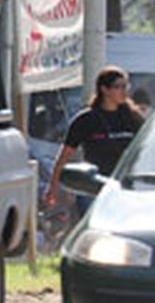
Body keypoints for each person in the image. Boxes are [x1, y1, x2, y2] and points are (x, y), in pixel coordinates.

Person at [45, 66, 146, 210]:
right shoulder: (86, 119)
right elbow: (65, 156)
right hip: (93, 186)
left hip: (125, 186)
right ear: (104, 89)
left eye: (126, 86)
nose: (124, 91)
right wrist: (53, 188)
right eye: (118, 87)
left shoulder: (134, 118)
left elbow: (148, 148)